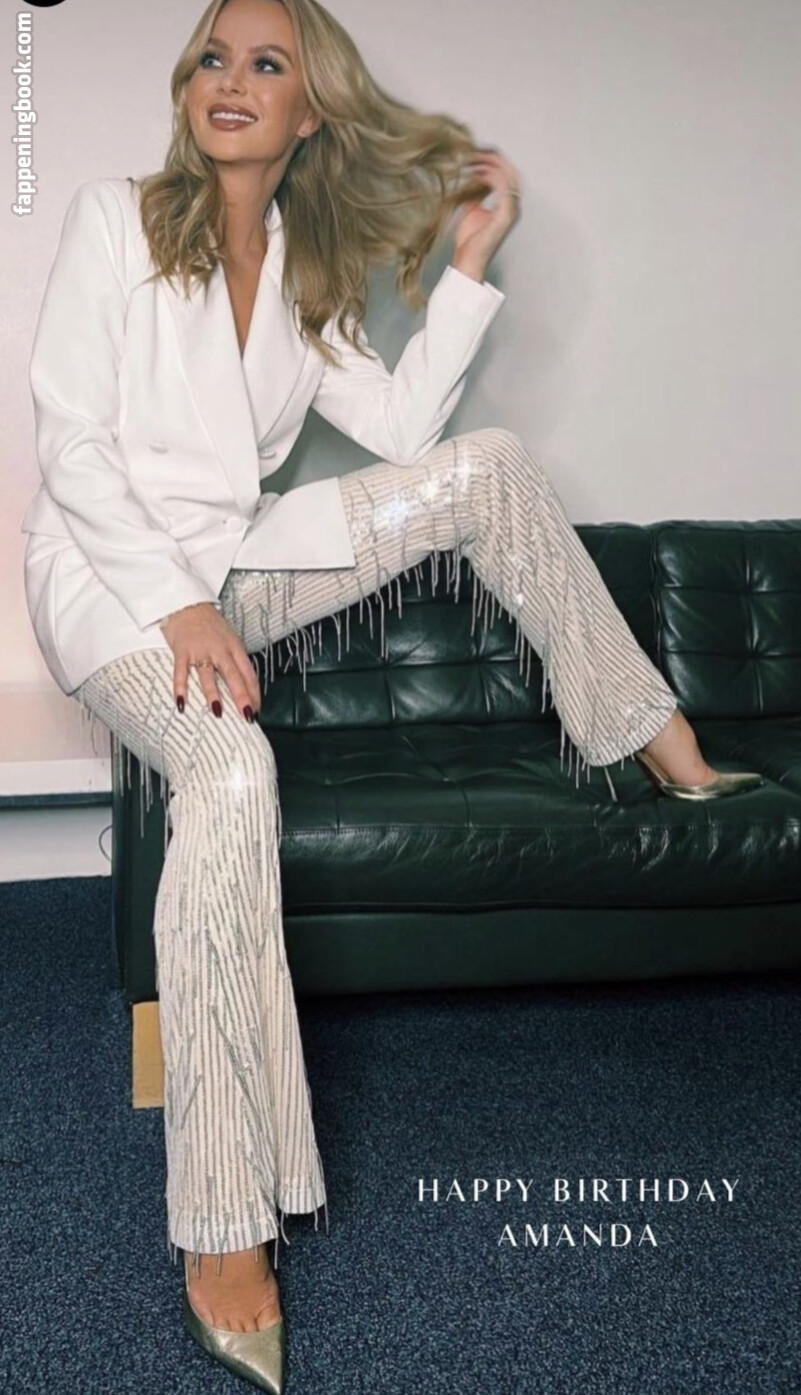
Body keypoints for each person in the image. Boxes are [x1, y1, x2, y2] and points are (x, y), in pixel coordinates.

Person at [20, 0, 764, 1389]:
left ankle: (653, 734)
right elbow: (70, 441)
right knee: (232, 771)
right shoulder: (116, 219)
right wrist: (176, 605)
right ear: (187, 84)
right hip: (115, 586)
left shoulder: (305, 265)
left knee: (487, 463)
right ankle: (220, 1220)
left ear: (310, 111)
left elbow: (405, 433)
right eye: (214, 57)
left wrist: (469, 264)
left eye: (267, 64)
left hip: (239, 564)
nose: (230, 81)